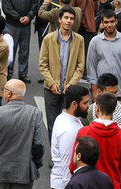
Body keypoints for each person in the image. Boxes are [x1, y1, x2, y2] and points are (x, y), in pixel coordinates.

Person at [38, 6, 84, 142]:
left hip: (69, 90)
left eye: (71, 18)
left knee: (68, 125)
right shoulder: (48, 39)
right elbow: (43, 65)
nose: (69, 21)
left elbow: (80, 66)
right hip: (51, 89)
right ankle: (55, 158)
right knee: (52, 125)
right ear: (59, 19)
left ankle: (67, 155)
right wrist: (52, 83)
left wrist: (72, 83)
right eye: (66, 18)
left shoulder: (79, 40)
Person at [86, 9, 121, 102]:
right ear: (102, 23)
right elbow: (91, 68)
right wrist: (94, 91)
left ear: (116, 21)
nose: (109, 25)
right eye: (106, 22)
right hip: (102, 93)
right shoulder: (95, 41)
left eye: (112, 22)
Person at [2, 0, 37, 83]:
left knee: (24, 51)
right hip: (12, 24)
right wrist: (18, 17)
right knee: (10, 50)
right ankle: (8, 73)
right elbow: (6, 8)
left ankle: (23, 73)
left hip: (26, 25)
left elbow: (34, 5)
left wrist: (29, 16)